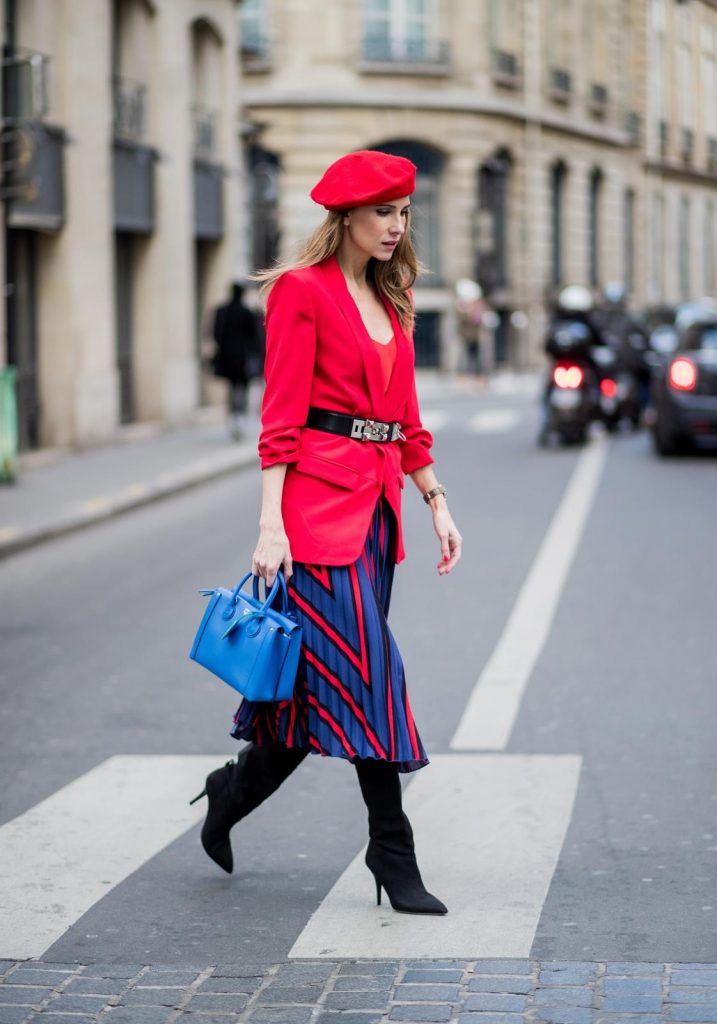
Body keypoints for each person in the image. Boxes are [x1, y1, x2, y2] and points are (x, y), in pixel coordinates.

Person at [192, 150, 462, 916]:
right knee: (371, 674)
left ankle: (232, 790)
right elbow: (280, 419)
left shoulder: (395, 293)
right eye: (382, 212)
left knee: (312, 695)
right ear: (344, 217)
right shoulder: (300, 293)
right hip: (312, 514)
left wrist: (434, 500)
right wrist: (269, 524)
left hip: (374, 516)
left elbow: (406, 420)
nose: (395, 226)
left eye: (403, 212)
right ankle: (392, 850)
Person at [211, 283, 263, 439]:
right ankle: (239, 415)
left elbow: (215, 334)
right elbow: (255, 337)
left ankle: (233, 414)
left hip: (226, 357)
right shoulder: (247, 312)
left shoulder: (222, 311)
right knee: (242, 385)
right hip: (242, 357)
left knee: (231, 386)